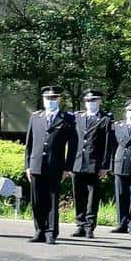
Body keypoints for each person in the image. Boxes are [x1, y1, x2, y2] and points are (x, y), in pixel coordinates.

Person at [24, 85, 78, 244]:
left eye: (54, 98)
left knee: (52, 199)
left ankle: (51, 232)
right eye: (48, 98)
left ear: (59, 99)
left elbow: (73, 146)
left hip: (56, 166)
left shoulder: (68, 119)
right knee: (37, 200)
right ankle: (39, 230)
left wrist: (67, 168)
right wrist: (27, 165)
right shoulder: (36, 117)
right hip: (36, 164)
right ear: (43, 100)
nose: (50, 101)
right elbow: (29, 144)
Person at [70, 89, 113, 238]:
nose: (91, 104)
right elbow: (72, 142)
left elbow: (108, 145)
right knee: (79, 195)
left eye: (94, 101)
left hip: (94, 164)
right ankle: (80, 224)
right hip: (78, 162)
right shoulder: (77, 118)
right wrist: (69, 163)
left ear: (99, 102)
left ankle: (90, 226)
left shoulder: (105, 120)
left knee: (92, 197)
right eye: (88, 101)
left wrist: (105, 166)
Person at [108, 99, 131, 234]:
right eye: (129, 110)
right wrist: (111, 165)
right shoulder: (118, 126)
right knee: (120, 195)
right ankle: (122, 223)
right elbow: (113, 147)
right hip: (120, 164)